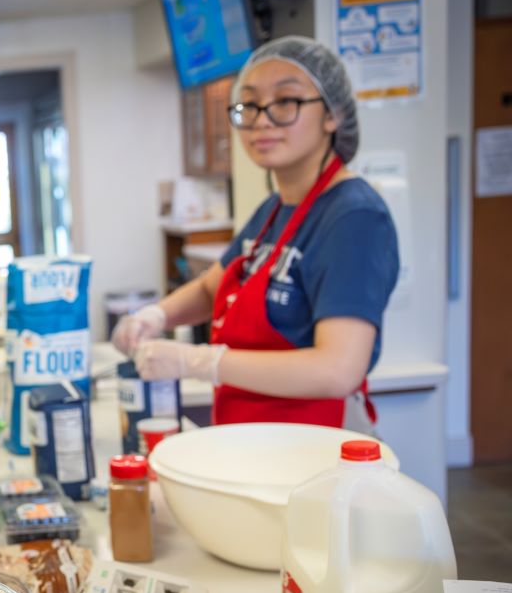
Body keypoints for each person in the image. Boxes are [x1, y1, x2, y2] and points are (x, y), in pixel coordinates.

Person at [112, 36, 399, 429]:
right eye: (249, 104)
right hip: (252, 437)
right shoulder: (274, 208)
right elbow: (211, 287)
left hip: (313, 445)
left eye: (286, 102)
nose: (262, 120)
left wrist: (198, 361)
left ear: (332, 114)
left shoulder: (354, 217)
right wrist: (155, 315)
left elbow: (338, 370)